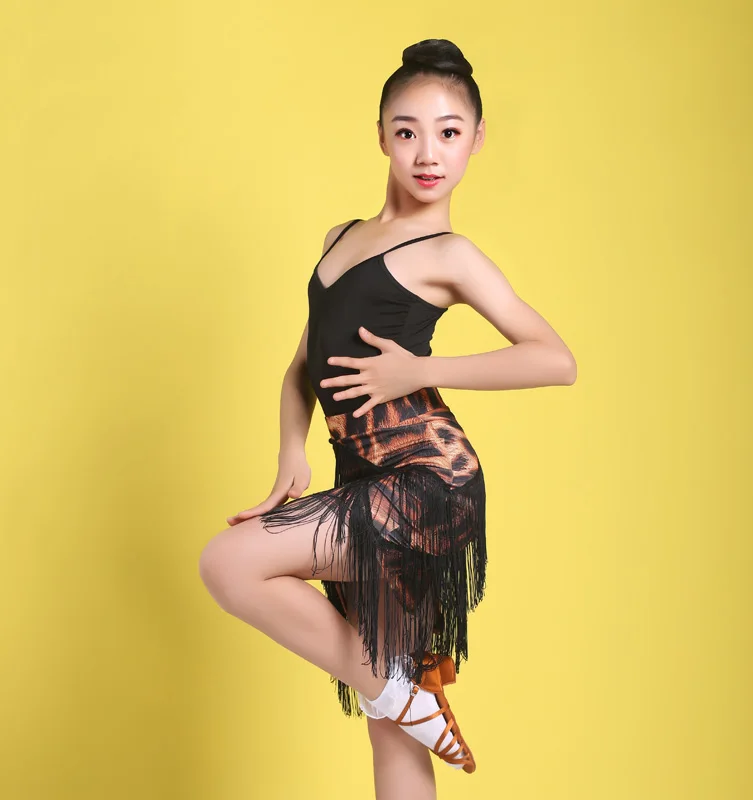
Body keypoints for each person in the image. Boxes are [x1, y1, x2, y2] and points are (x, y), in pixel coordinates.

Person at [199, 37, 577, 797]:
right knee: (392, 729)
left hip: (428, 483)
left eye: (449, 132)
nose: (428, 153)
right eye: (408, 131)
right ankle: (401, 695)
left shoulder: (451, 254)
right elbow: (303, 366)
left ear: (476, 139)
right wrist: (292, 453)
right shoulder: (340, 239)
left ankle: (400, 692)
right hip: (361, 477)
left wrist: (422, 370)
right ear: (381, 136)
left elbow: (554, 359)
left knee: (228, 563)